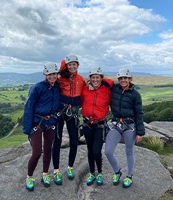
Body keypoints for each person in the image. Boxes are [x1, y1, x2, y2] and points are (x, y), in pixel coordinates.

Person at [104, 68, 145, 188]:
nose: (123, 80)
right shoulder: (114, 89)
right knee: (108, 151)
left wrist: (140, 133)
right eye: (121, 78)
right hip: (116, 123)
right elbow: (102, 81)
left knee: (129, 151)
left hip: (130, 125)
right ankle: (117, 171)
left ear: (130, 79)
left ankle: (129, 176)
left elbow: (139, 113)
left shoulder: (135, 94)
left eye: (126, 78)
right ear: (118, 79)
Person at [23, 63, 60, 191]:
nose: (52, 76)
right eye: (50, 74)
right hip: (36, 122)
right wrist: (27, 129)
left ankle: (45, 174)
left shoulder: (58, 87)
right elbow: (28, 108)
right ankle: (29, 177)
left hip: (50, 122)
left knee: (48, 149)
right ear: (45, 75)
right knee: (37, 152)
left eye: (54, 74)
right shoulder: (37, 88)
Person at [52, 55, 86, 185]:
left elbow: (83, 95)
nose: (72, 67)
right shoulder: (60, 79)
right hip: (60, 111)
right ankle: (56, 171)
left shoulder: (81, 80)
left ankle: (70, 167)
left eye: (74, 64)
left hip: (73, 112)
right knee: (58, 139)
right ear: (66, 65)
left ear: (78, 65)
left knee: (74, 140)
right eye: (69, 64)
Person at [81, 67, 113, 186]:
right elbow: (80, 102)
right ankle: (91, 173)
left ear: (101, 78)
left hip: (100, 124)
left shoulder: (106, 89)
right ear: (90, 79)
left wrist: (103, 82)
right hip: (87, 123)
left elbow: (110, 82)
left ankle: (99, 173)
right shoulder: (85, 89)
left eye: (97, 77)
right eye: (93, 77)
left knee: (96, 151)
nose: (95, 79)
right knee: (90, 150)